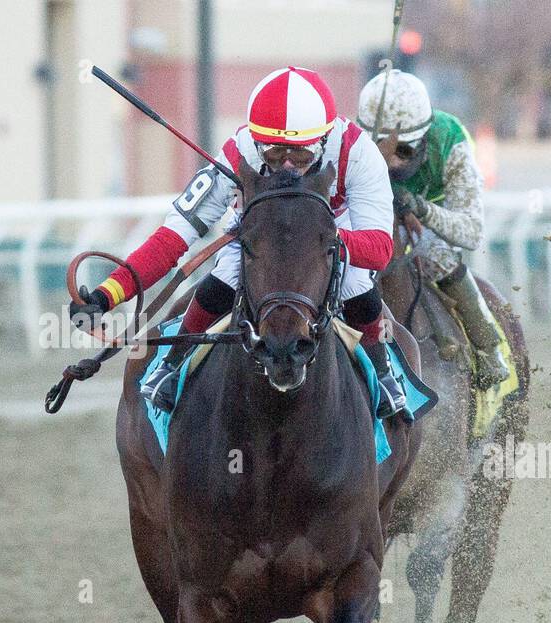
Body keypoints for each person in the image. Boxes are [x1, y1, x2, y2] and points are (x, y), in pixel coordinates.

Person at [70, 66, 407, 419]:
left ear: (324, 139)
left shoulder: (358, 153)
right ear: (256, 141)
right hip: (258, 224)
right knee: (228, 271)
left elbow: (380, 250)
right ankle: (173, 363)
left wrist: (324, 239)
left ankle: (382, 373)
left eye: (301, 157)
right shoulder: (239, 151)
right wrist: (105, 296)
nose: (287, 166)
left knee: (354, 279)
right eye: (274, 156)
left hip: (330, 226)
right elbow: (172, 240)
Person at [357, 69, 509, 388]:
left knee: (436, 254)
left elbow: (470, 231)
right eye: (383, 150)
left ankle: (487, 347)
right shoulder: (353, 144)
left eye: (405, 151)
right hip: (372, 219)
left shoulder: (450, 141)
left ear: (424, 138)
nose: (393, 163)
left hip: (431, 221)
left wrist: (422, 209)